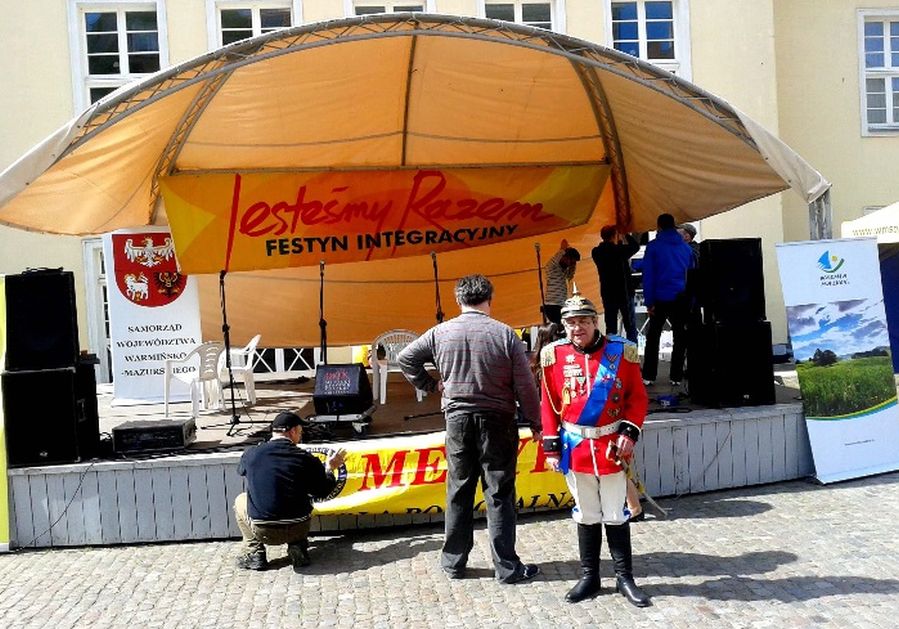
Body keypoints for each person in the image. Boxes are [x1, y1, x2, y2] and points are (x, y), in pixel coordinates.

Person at [398, 274, 542, 584]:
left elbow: (405, 357)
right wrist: (536, 422)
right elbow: (525, 385)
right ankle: (507, 567)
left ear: (458, 300)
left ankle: (454, 563)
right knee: (499, 492)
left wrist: (430, 384)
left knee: (459, 490)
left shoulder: (441, 332)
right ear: (490, 299)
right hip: (498, 419)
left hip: (457, 419)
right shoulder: (505, 334)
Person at [539, 290, 651, 607]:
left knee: (615, 513)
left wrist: (629, 432)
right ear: (564, 326)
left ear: (595, 322)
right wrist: (551, 448)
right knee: (586, 513)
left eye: (584, 322)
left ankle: (624, 578)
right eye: (571, 323)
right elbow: (548, 403)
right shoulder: (554, 355)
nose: (578, 328)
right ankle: (590, 577)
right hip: (575, 447)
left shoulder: (622, 352)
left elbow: (637, 398)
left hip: (610, 446)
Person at [234, 411, 346, 572]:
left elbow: (241, 471)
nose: (301, 435)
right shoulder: (305, 458)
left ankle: (255, 552)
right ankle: (298, 546)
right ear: (292, 431)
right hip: (299, 527)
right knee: (297, 495)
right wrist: (329, 468)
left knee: (241, 499)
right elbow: (323, 491)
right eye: (300, 431)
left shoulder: (251, 454)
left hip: (265, 530)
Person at [641, 213, 695, 387]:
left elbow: (648, 276)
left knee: (653, 336)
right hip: (681, 297)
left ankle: (649, 375)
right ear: (674, 226)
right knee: (680, 336)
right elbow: (692, 276)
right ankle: (676, 376)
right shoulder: (686, 249)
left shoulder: (653, 247)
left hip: (659, 297)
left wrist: (649, 302)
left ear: (659, 226)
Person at [591, 226, 641, 343]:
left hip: (607, 292)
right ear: (614, 236)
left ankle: (611, 349)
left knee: (611, 325)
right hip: (624, 292)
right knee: (630, 325)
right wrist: (625, 233)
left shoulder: (596, 252)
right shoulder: (619, 250)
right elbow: (635, 246)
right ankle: (632, 349)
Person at [544, 241, 581, 324]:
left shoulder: (564, 271)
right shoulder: (552, 267)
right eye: (570, 260)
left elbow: (570, 276)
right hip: (552, 305)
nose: (569, 264)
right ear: (565, 257)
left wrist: (573, 265)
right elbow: (555, 259)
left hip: (560, 304)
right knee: (561, 325)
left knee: (564, 325)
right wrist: (563, 249)